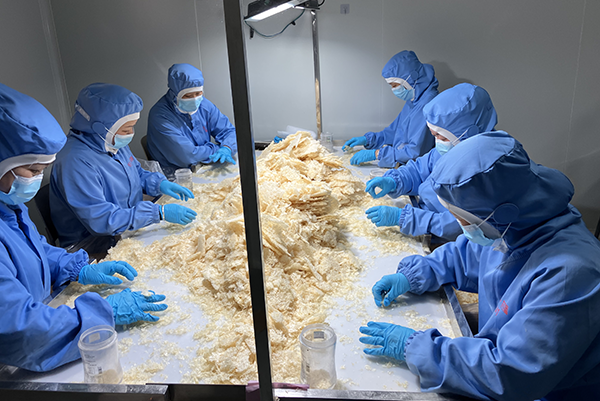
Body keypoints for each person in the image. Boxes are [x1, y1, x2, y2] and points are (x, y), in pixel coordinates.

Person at [359, 132, 600, 400]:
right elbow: (467, 255)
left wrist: (417, 349)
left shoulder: (569, 274)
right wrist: (417, 274)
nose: (460, 226)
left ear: (501, 213)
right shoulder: (516, 227)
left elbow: (511, 373)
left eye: (462, 218)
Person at [0, 83, 167, 372]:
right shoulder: (75, 161)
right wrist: (103, 313)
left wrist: (77, 268)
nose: (38, 179)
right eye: (33, 171)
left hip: (47, 307)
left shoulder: (9, 206)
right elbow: (21, 329)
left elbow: (36, 250)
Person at [50, 83, 197, 248]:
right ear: (100, 128)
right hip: (96, 245)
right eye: (126, 130)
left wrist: (159, 184)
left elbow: (136, 172)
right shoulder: (74, 163)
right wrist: (158, 213)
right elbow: (102, 220)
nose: (131, 134)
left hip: (130, 226)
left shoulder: (109, 141)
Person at [364, 83, 497, 242]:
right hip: (422, 217)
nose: (437, 141)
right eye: (434, 135)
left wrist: (407, 218)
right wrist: (394, 181)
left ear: (468, 132)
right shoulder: (453, 147)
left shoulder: (485, 170)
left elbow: (459, 225)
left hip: (444, 238)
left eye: (442, 137)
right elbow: (420, 168)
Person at [343, 50, 438, 167]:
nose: (394, 90)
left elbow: (414, 152)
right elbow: (394, 132)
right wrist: (369, 139)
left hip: (413, 168)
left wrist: (377, 154)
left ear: (411, 78)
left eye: (395, 85)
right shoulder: (413, 100)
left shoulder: (427, 103)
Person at [147, 63, 238, 176]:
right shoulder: (160, 116)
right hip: (175, 175)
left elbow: (228, 130)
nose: (195, 99)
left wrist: (227, 147)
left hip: (204, 167)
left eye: (198, 93)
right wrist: (216, 148)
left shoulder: (204, 105)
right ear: (174, 94)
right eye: (188, 96)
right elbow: (187, 155)